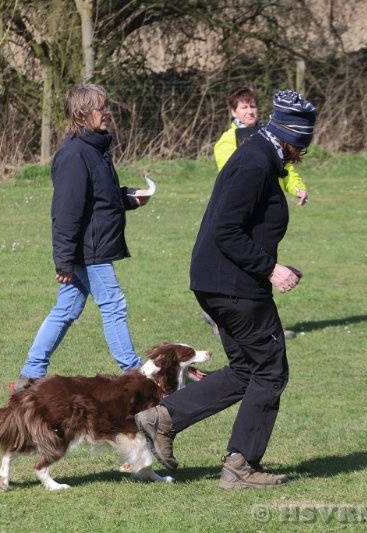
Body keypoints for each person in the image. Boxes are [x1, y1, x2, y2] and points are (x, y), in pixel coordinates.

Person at [137, 90, 317, 489]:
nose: (299, 156)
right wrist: (270, 269)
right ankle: (241, 465)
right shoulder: (255, 162)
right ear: (292, 139)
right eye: (301, 147)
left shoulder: (258, 154)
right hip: (235, 286)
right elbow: (226, 229)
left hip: (218, 282)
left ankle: (164, 417)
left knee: (245, 370)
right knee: (270, 371)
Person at [11, 83, 151, 392]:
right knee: (113, 305)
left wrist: (130, 197)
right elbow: (65, 213)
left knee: (67, 309)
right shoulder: (74, 155)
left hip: (91, 246)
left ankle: (31, 373)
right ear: (83, 113)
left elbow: (101, 197)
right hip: (89, 250)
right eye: (102, 108)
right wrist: (63, 261)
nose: (107, 112)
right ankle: (134, 374)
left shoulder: (95, 150)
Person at [203, 83, 307, 340]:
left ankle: (265, 326)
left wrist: (296, 187)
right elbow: (235, 178)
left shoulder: (269, 135)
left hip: (265, 210)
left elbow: (285, 168)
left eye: (252, 106)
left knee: (261, 261)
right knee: (245, 262)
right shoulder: (227, 142)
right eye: (243, 107)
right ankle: (222, 315)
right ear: (233, 112)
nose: (249, 111)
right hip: (243, 211)